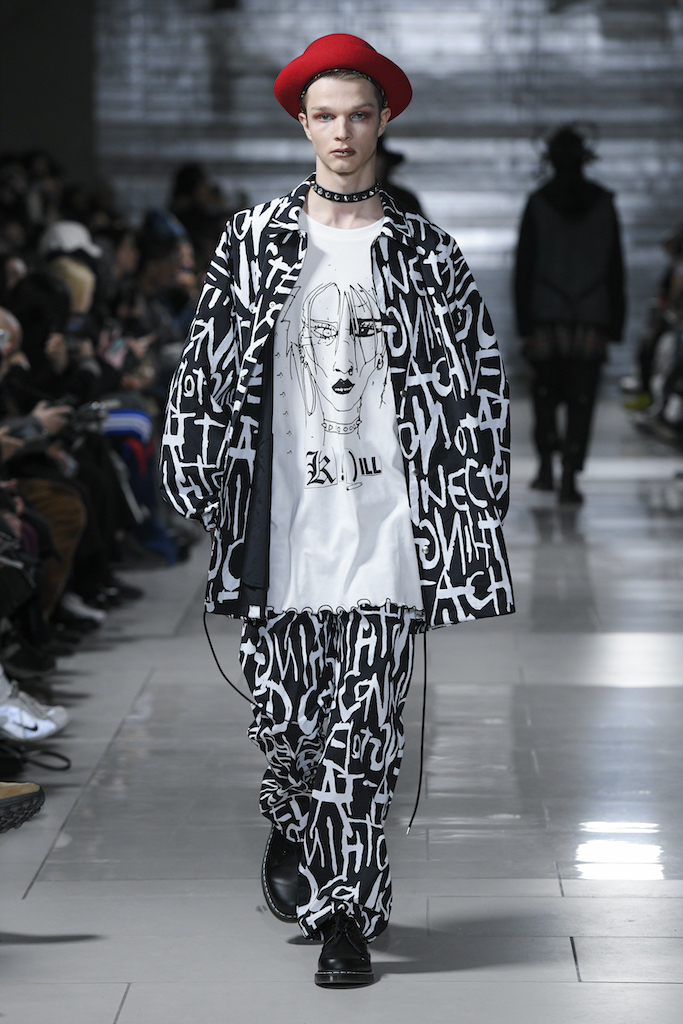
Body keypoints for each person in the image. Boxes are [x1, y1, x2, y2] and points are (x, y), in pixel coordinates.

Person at [161, 33, 512, 988]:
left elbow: (477, 378)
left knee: (362, 731)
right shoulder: (253, 239)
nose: (343, 132)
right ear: (302, 123)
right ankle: (295, 811)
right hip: (279, 527)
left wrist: (474, 497)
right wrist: (191, 466)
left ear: (383, 120)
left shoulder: (426, 252)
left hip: (386, 522)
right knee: (287, 724)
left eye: (359, 114)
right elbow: (205, 362)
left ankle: (344, 914)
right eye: (326, 115)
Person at [514, 125, 625, 503]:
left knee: (546, 394)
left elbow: (525, 266)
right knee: (582, 398)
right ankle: (569, 475)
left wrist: (524, 321)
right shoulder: (604, 203)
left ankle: (547, 464)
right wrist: (615, 322)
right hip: (591, 314)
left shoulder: (538, 203)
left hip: (546, 314)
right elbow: (615, 266)